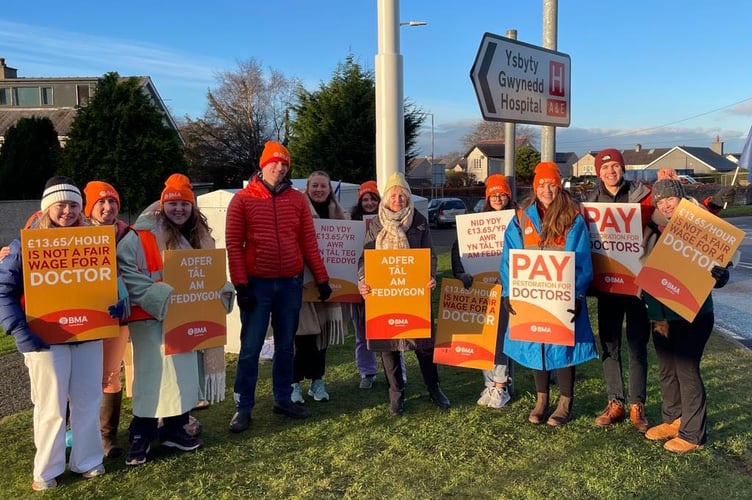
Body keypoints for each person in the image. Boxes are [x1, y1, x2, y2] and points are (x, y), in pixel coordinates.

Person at [117, 173, 233, 465]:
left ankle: (174, 428)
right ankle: (141, 434)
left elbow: (211, 272)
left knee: (182, 378)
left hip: (185, 318)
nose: (179, 209)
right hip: (152, 319)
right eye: (173, 204)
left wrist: (223, 290)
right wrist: (160, 297)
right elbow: (126, 269)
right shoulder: (140, 234)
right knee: (152, 378)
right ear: (162, 204)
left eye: (184, 204)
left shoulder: (199, 236)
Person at [0, 176, 107, 491]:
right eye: (61, 204)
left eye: (74, 204)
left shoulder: (94, 241)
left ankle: (87, 460)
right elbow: (4, 290)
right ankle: (46, 470)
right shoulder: (26, 244)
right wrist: (20, 331)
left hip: (87, 334)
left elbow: (101, 284)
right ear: (47, 207)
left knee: (88, 401)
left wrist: (112, 308)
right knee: (50, 406)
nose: (68, 211)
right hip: (44, 339)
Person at [226, 141, 332, 434]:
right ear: (263, 164)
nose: (280, 167)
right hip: (257, 285)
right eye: (275, 162)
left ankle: (282, 398)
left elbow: (308, 243)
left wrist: (321, 278)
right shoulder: (243, 200)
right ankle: (243, 406)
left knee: (286, 347)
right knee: (251, 347)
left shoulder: (297, 200)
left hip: (289, 283)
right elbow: (234, 246)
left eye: (285, 164)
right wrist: (241, 284)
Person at [500, 162, 598, 426]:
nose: (546, 189)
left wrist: (576, 294)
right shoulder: (521, 216)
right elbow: (509, 254)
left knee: (563, 344)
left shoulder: (572, 216)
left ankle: (565, 400)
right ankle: (541, 399)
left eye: (551, 184)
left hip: (561, 294)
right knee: (536, 342)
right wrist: (509, 290)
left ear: (559, 185)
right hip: (531, 293)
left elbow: (580, 257)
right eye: (541, 185)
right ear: (535, 187)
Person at [640, 177, 730, 453]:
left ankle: (693, 434)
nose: (666, 205)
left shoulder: (701, 226)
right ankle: (673, 418)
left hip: (695, 313)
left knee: (686, 369)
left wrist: (721, 275)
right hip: (660, 312)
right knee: (667, 368)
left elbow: (721, 267)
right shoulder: (650, 228)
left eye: (671, 199)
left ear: (681, 199)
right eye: (661, 200)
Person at [358, 172, 451, 416]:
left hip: (414, 294)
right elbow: (365, 258)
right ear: (386, 197)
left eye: (402, 195)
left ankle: (434, 388)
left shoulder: (418, 220)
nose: (398, 199)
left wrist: (430, 275)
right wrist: (362, 280)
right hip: (384, 296)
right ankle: (396, 394)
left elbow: (429, 253)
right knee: (389, 347)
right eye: (394, 194)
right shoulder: (375, 224)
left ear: (408, 197)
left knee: (424, 345)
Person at [586, 149, 653, 432]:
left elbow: (674, 215)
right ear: (598, 172)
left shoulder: (644, 195)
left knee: (637, 345)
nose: (611, 171)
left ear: (622, 168)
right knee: (609, 345)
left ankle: (637, 405)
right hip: (607, 285)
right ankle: (615, 402)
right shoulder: (590, 202)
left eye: (615, 166)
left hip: (637, 285)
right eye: (605, 167)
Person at [451, 174, 515, 409]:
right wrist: (461, 274)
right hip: (481, 287)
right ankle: (491, 383)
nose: (498, 198)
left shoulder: (517, 220)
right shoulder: (476, 221)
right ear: (487, 197)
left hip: (508, 287)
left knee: (501, 338)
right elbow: (458, 249)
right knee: (484, 337)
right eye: (493, 194)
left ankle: (500, 386)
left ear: (508, 195)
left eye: (502, 194)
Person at [82, 181, 134, 457]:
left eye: (112, 201)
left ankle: (107, 437)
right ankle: (77, 432)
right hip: (82, 316)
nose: (107, 207)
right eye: (100, 202)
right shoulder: (75, 233)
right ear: (89, 207)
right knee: (77, 377)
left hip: (118, 315)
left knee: (110, 374)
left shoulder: (128, 233)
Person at [291, 171, 347, 403]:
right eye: (314, 185)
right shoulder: (297, 210)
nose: (319, 190)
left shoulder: (340, 214)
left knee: (321, 338)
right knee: (301, 335)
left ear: (329, 189)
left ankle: (317, 381)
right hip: (303, 283)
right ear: (307, 187)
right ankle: (293, 383)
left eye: (323, 186)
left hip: (330, 285)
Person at [349, 181, 381, 389]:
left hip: (384, 283)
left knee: (389, 331)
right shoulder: (351, 223)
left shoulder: (389, 222)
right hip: (358, 283)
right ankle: (367, 372)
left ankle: (397, 372)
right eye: (365, 199)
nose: (369, 203)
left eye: (373, 198)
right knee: (361, 331)